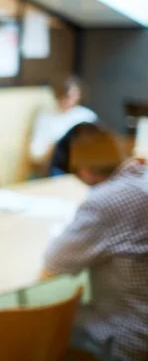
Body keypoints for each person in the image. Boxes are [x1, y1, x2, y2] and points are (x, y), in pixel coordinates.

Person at [40, 124, 148, 361]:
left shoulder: (105, 201)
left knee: (41, 326)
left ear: (86, 170)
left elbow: (54, 264)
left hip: (128, 334)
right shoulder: (143, 178)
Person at [29, 76, 98, 176]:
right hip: (56, 167)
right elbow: (35, 153)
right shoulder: (46, 117)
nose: (72, 100)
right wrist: (51, 149)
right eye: (67, 96)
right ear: (58, 96)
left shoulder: (87, 116)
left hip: (83, 168)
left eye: (75, 96)